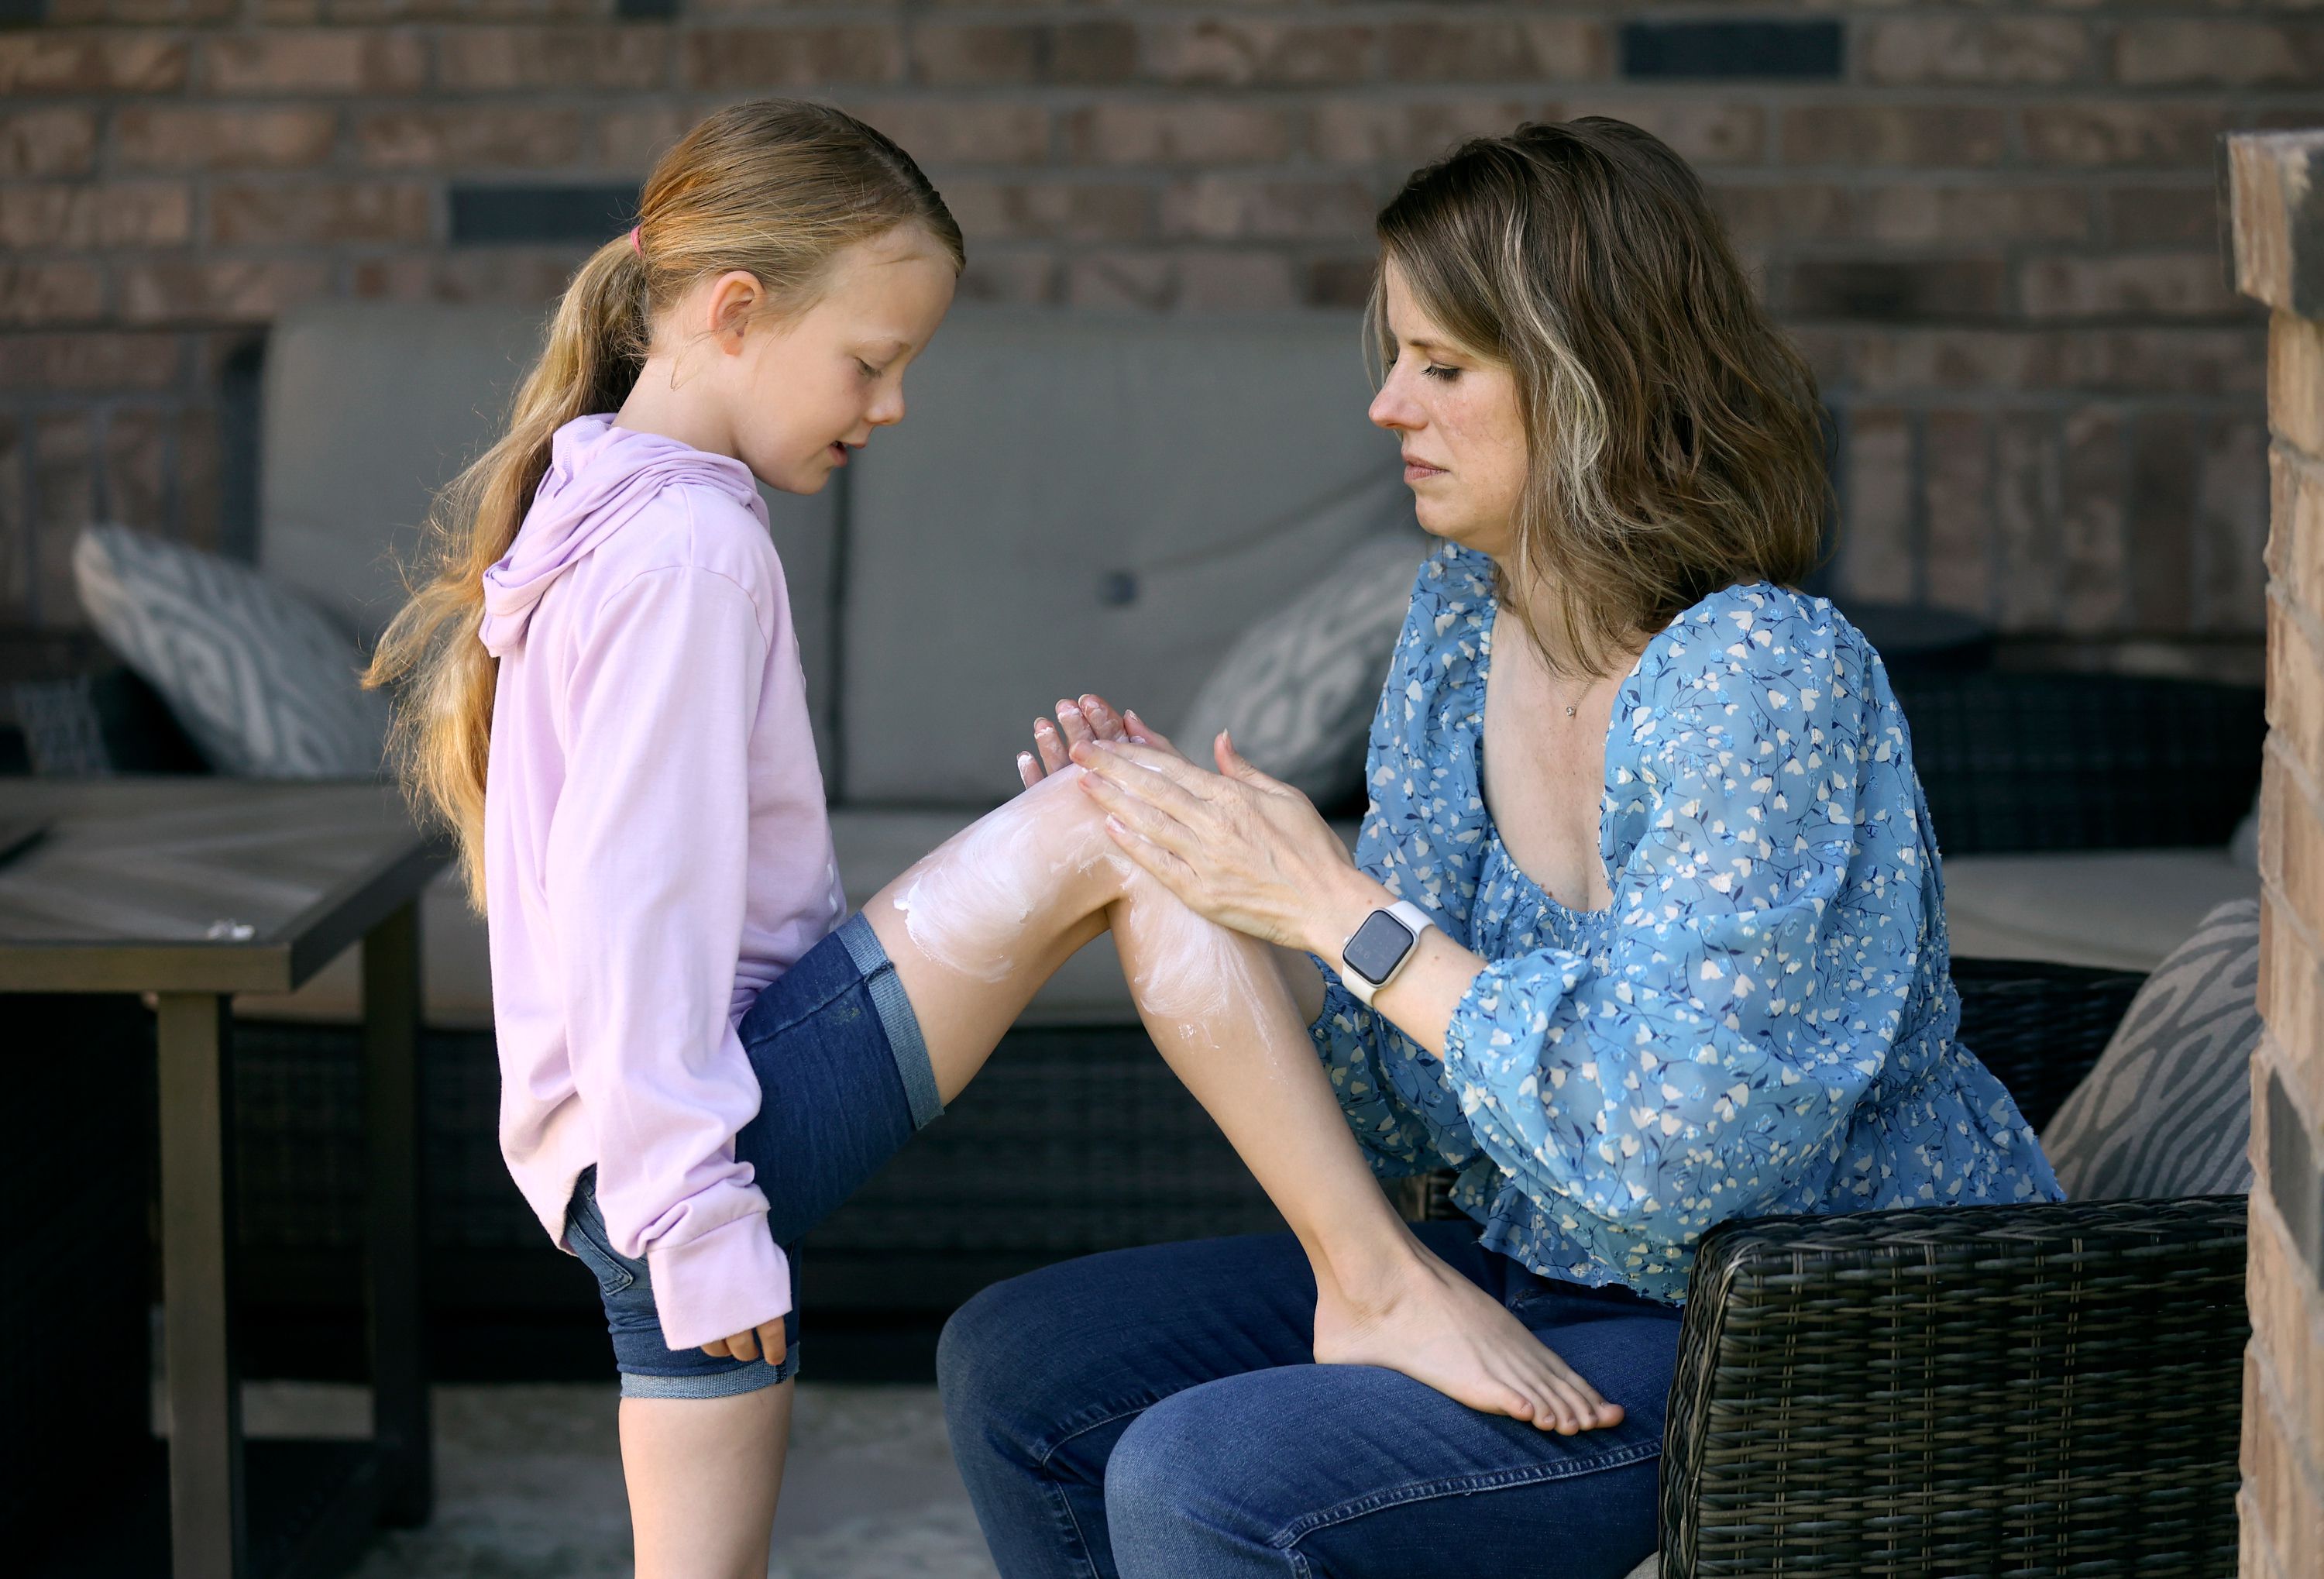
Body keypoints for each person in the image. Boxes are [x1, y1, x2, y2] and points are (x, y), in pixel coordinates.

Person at [363, 99, 1604, 1579]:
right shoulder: (688, 547)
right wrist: (698, 1221)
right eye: (871, 362)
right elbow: (636, 925)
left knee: (1116, 821)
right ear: (736, 313)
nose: (887, 406)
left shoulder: (608, 495)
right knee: (1118, 815)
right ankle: (1375, 1277)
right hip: (689, 1139)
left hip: (661, 1126)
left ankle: (1374, 1270)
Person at [941, 117, 2066, 1579]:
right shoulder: (1466, 626)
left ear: (1591, 382)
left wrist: (1333, 904)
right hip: (1548, 1263)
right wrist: (1204, 878)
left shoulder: (1759, 673)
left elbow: (1676, 1157)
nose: (1388, 405)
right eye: (1397, 355)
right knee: (1021, 1370)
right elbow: (1410, 1096)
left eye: (1443, 365)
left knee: (1206, 1479)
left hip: (1810, 1327)